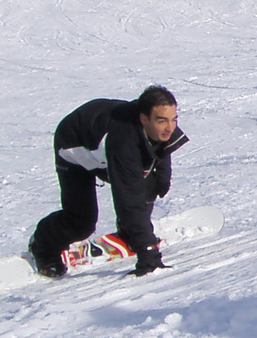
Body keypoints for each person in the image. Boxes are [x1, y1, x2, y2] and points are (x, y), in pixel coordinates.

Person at [29, 86, 189, 278]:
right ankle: (42, 245)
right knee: (82, 221)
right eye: (162, 121)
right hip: (74, 146)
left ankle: (132, 230)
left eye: (174, 120)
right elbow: (128, 199)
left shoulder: (160, 127)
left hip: (102, 142)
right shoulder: (123, 143)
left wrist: (161, 182)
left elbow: (160, 153)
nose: (170, 127)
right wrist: (148, 254)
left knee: (148, 185)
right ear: (143, 118)